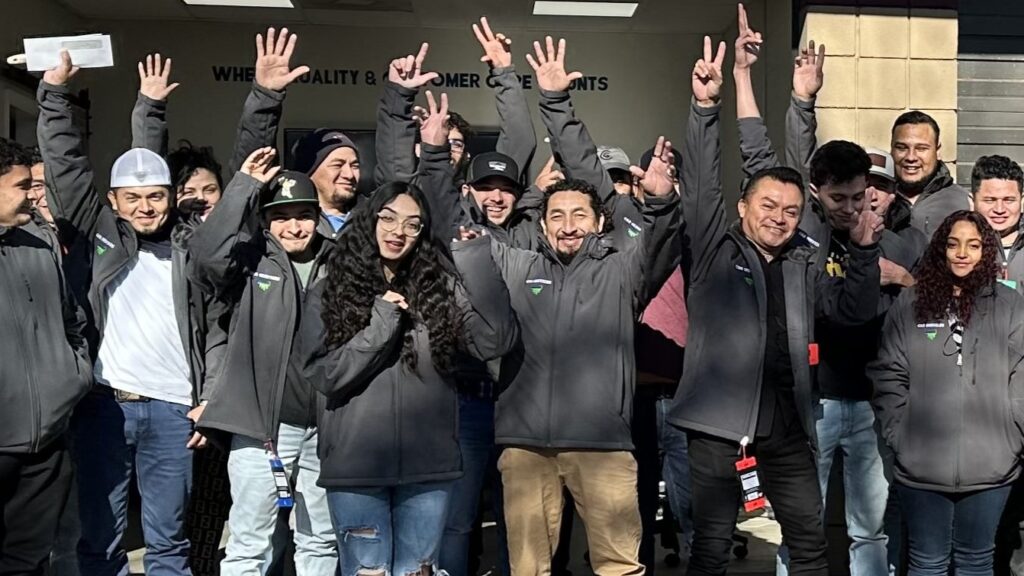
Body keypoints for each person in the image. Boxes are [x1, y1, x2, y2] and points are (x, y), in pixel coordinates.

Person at [669, 31, 883, 576]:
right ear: (743, 205)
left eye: (791, 210)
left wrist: (863, 253)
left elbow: (852, 313)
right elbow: (700, 183)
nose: (779, 217)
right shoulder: (715, 244)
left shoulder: (805, 258)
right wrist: (704, 107)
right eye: (768, 206)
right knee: (711, 549)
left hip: (789, 426)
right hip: (718, 425)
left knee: (810, 543)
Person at [37, 50, 212, 576]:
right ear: (113, 201)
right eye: (132, 198)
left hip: (172, 410)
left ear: (172, 197)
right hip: (104, 406)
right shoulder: (99, 236)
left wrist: (152, 109)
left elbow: (215, 327)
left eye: (156, 196)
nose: (145, 207)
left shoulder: (190, 246)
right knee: (101, 539)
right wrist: (53, 94)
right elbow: (66, 167)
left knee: (168, 543)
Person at [297, 177, 519, 576]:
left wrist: (475, 260)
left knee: (419, 571)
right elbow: (324, 374)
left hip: (429, 465)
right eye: (388, 218)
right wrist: (381, 323)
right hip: (356, 466)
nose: (398, 232)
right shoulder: (329, 290)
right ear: (370, 220)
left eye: (412, 224)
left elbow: (493, 341)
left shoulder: (440, 288)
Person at [187, 148, 338, 576]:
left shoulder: (339, 260)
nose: (294, 226)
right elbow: (204, 257)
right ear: (267, 222)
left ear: (317, 216)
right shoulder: (250, 261)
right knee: (250, 543)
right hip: (263, 428)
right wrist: (244, 187)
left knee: (320, 540)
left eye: (303, 214)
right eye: (281, 216)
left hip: (324, 428)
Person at [869, 210, 1024, 576]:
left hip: (992, 466)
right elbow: (889, 372)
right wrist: (899, 434)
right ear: (940, 249)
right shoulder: (911, 302)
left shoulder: (1012, 305)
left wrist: (1013, 438)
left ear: (986, 251)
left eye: (973, 245)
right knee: (926, 562)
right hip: (921, 465)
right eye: (953, 244)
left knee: (976, 561)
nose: (961, 253)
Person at [0, 137, 92, 576]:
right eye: (21, 186)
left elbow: (71, 319)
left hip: (47, 443)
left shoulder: (39, 242)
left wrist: (73, 375)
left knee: (29, 561)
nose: (33, 196)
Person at [891, 111, 970, 237]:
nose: (911, 157)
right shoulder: (873, 199)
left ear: (938, 151)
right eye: (902, 148)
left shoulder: (962, 203)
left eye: (921, 148)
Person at [972, 155, 1024, 288]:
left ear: (1022, 200)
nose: (999, 209)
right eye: (990, 200)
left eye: (1009, 200)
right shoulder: (956, 246)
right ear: (972, 200)